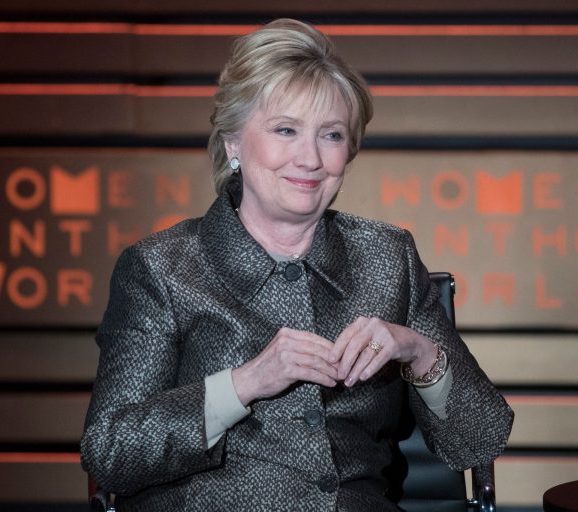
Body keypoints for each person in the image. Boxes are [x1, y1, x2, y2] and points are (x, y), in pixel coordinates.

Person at [81, 18, 513, 512]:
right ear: (233, 143)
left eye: (330, 135)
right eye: (286, 130)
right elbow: (109, 453)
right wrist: (246, 383)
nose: (309, 158)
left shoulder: (387, 257)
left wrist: (419, 353)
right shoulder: (161, 268)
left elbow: (480, 441)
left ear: (349, 150)